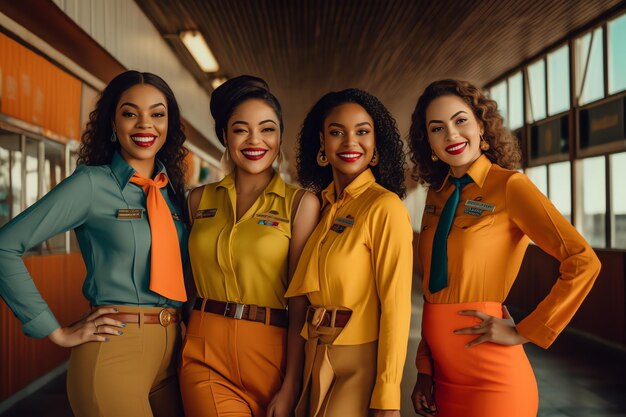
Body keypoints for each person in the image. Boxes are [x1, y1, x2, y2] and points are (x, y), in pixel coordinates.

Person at [0, 70, 189, 417]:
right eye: (130, 113)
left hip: (174, 356)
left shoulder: (173, 192)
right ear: (112, 124)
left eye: (157, 114)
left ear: (169, 125)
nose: (145, 124)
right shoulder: (90, 184)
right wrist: (54, 331)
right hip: (115, 352)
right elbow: (5, 245)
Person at [408, 79, 601, 417]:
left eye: (460, 120)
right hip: (443, 380)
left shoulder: (511, 186)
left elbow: (583, 261)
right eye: (437, 128)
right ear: (429, 142)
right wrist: (425, 368)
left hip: (493, 380)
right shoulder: (435, 195)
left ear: (481, 125)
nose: (451, 135)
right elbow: (432, 291)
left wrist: (525, 330)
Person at [179, 75, 320, 417]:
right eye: (241, 129)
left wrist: (291, 384)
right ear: (225, 137)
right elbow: (185, 282)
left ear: (280, 136)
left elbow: (299, 301)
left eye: (267, 129)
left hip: (273, 353)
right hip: (205, 353)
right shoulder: (197, 200)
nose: (255, 140)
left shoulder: (301, 204)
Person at [285, 88, 413, 417]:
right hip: (316, 354)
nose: (349, 142)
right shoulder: (324, 207)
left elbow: (397, 307)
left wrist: (387, 395)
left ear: (375, 148)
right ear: (322, 147)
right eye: (337, 132)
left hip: (359, 362)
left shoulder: (385, 206)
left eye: (362, 132)